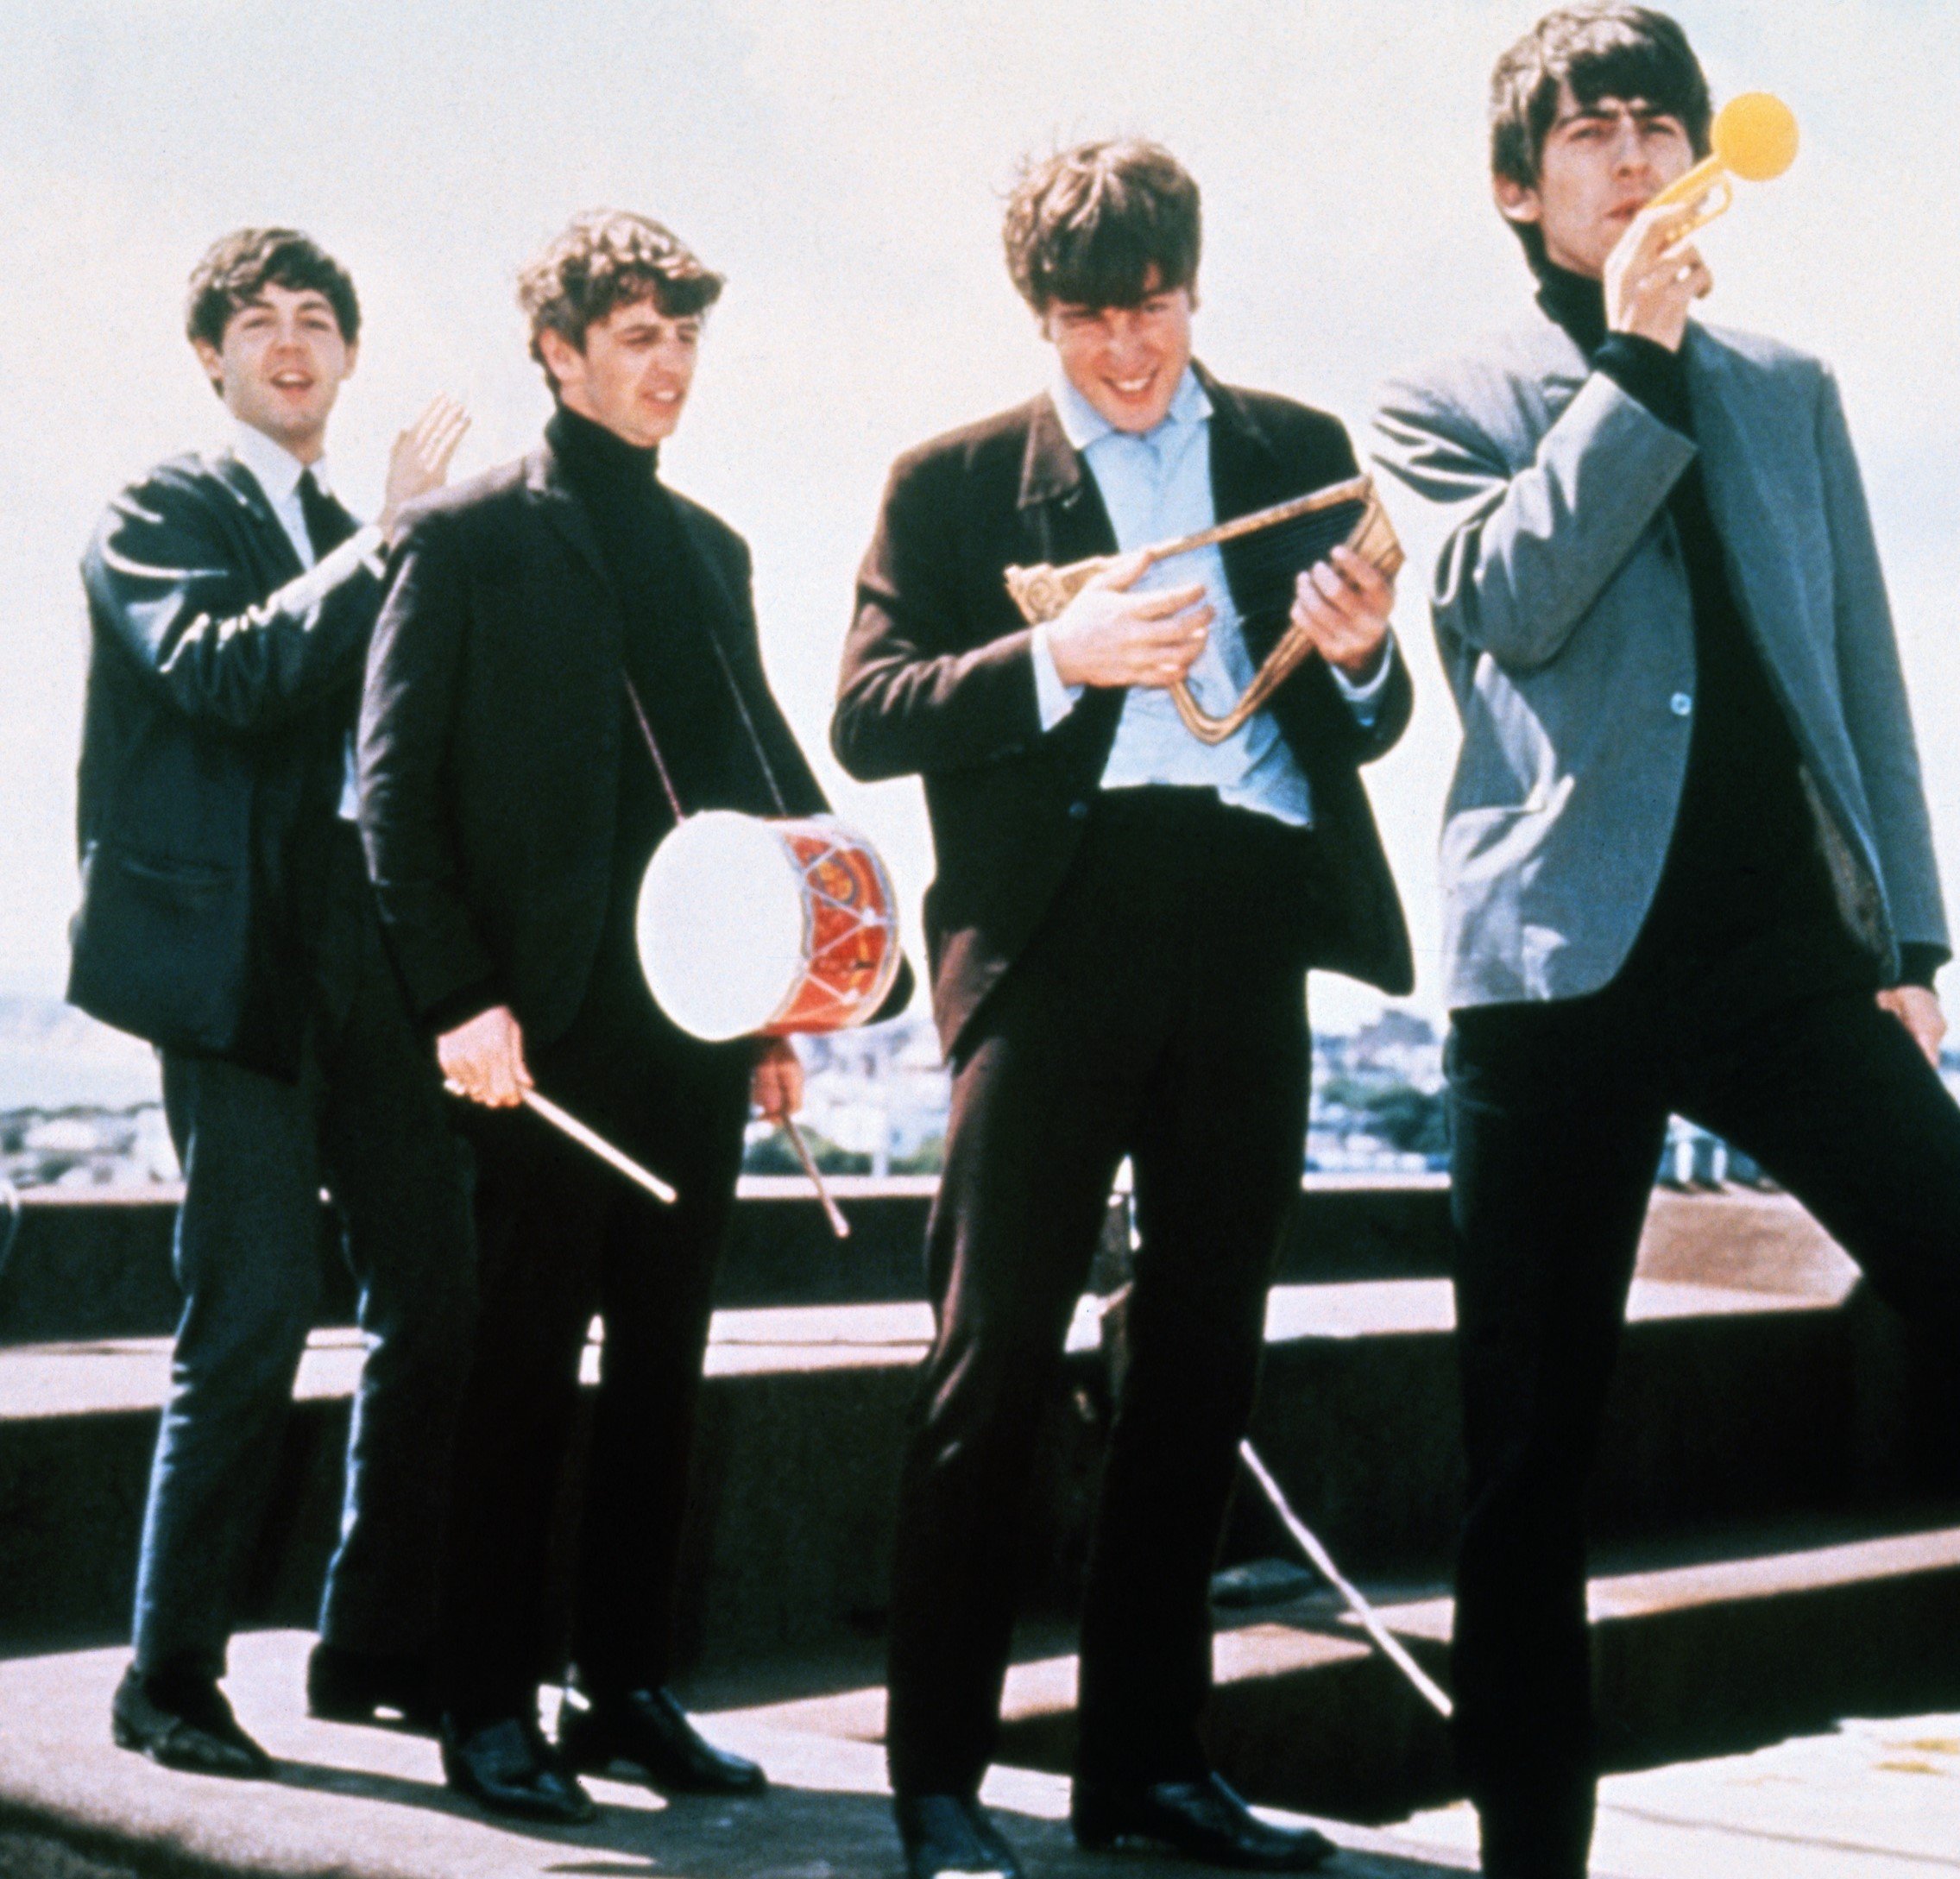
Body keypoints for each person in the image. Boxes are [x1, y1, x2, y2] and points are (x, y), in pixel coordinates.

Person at [1372, 9, 1960, 1875]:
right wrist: (1629, 351)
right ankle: (1530, 1857)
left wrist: (1912, 935)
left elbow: (1860, 661)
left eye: (1656, 125)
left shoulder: (1785, 383)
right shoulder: (1441, 395)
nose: (1631, 158)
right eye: (1590, 131)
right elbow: (1509, 609)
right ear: (1513, 182)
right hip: (1555, 966)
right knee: (1528, 1457)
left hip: (1783, 950)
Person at [834, 140, 1414, 1879]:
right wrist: (1050, 661)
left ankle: (1145, 1770)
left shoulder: (1299, 455)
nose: (1127, 352)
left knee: (1197, 1364)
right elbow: (865, 715)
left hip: (1246, 923)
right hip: (1051, 938)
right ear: (1037, 315)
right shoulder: (945, 486)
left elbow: (1366, 719)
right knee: (990, 1355)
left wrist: (1370, 647)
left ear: (1194, 283)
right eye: (1087, 320)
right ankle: (934, 1783)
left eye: (1151, 307)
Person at [361, 208, 904, 1825]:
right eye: (638, 336)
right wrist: (459, 998)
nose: (670, 367)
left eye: (685, 337)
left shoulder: (711, 549)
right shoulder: (460, 537)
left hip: (687, 1032)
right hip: (532, 1043)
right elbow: (387, 802)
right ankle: (484, 1697)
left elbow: (753, 780)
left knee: (666, 1367)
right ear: (559, 350)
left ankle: (627, 1686)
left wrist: (789, 1005)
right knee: (517, 1369)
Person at [71, 227, 474, 1775]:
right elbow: (226, 676)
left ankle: (369, 1643)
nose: (293, 345)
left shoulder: (384, 532)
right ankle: (165, 1678)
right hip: (236, 976)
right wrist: (383, 544)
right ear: (213, 358)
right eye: (260, 323)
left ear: (352, 356)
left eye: (320, 321)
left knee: (438, 1292)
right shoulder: (161, 507)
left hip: (371, 967)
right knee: (244, 1318)